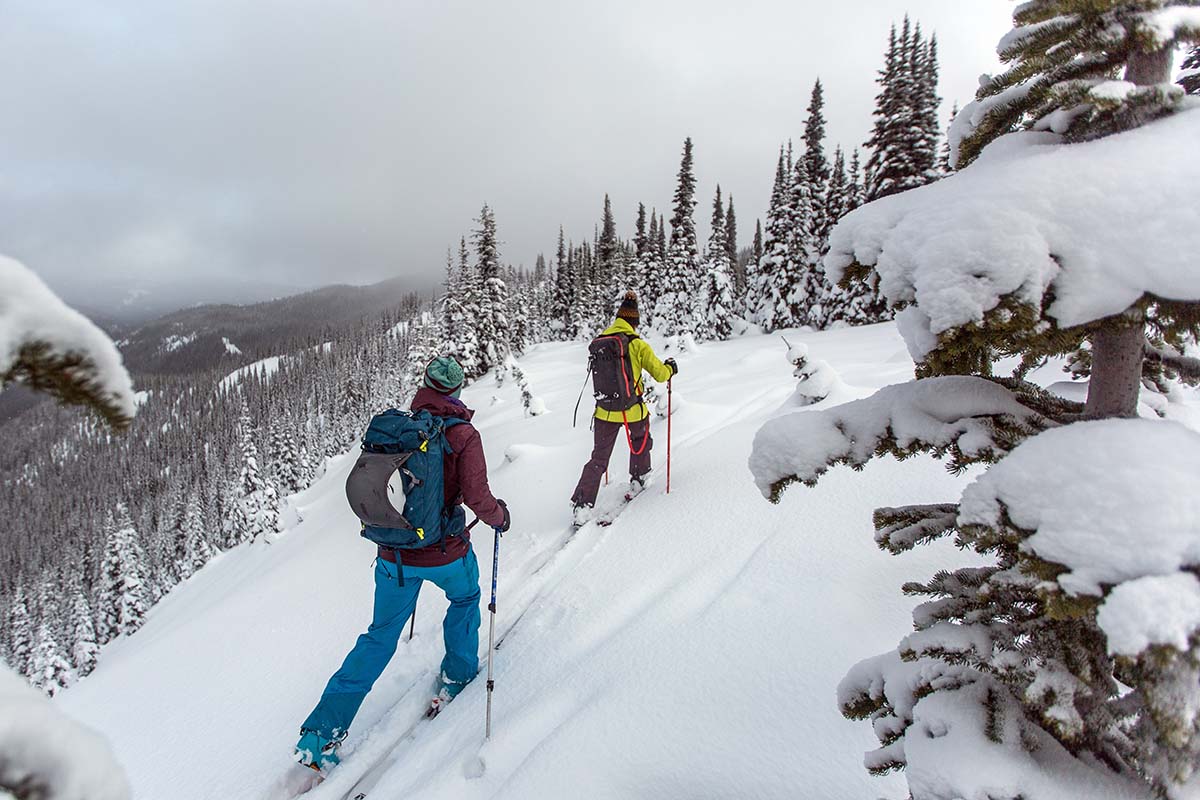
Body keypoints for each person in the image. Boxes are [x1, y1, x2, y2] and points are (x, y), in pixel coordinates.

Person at [295, 356, 510, 771]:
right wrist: (500, 517)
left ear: (425, 386)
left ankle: (319, 734)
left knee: (378, 637)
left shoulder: (400, 430)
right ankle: (458, 672)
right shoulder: (463, 434)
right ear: (457, 391)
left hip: (393, 557)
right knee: (465, 599)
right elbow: (478, 498)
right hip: (446, 552)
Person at [570, 291, 676, 525]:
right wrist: (671, 369)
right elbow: (660, 374)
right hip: (632, 410)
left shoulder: (600, 342)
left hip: (603, 411)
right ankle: (638, 478)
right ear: (635, 322)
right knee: (640, 442)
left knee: (598, 458)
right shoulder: (637, 344)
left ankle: (582, 504)